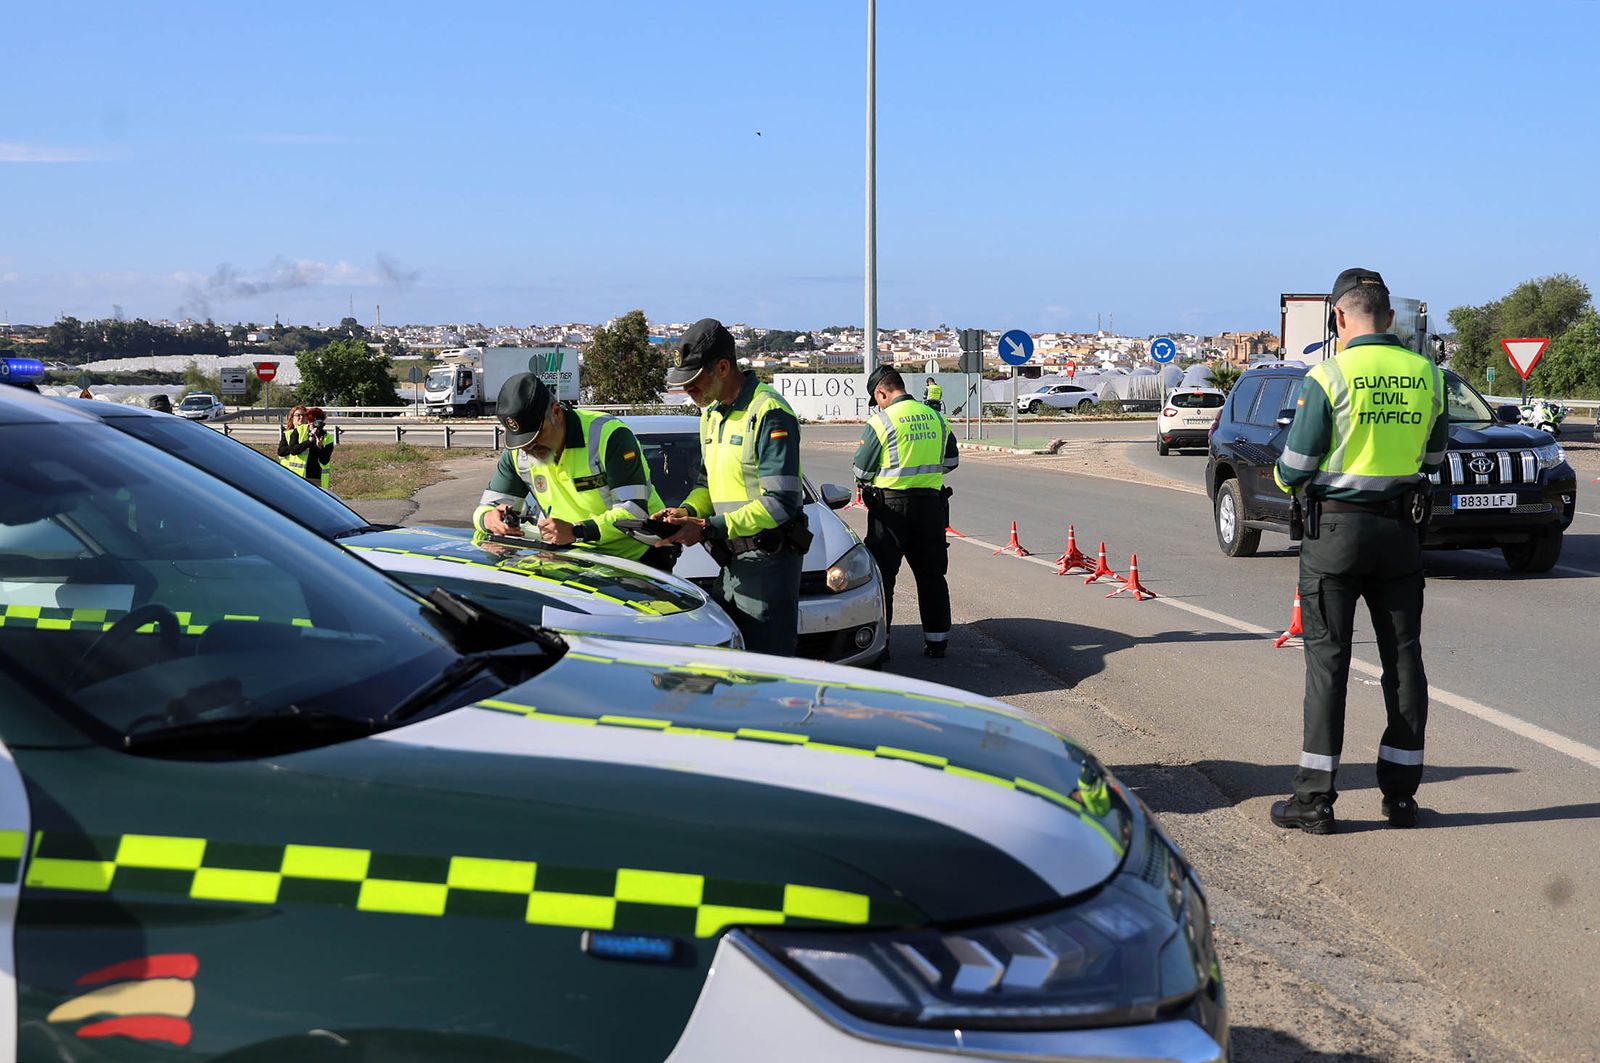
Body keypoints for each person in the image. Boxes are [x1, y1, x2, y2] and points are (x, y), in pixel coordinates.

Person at [1270, 267, 1447, 834]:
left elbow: (1293, 468)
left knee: (1329, 662)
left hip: (1336, 537)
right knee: (1403, 660)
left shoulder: (1327, 376)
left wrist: (1282, 475)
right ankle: (1400, 799)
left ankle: (1315, 801)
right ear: (1390, 318)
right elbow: (1434, 459)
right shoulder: (1428, 375)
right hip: (1399, 535)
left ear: (1339, 318)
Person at [655, 318, 809, 654]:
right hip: (733, 564)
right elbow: (707, 482)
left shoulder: (768, 411)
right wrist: (688, 511)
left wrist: (708, 527)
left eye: (694, 381)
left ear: (723, 367)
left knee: (765, 672)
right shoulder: (711, 414)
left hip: (768, 567)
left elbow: (781, 502)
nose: (687, 390)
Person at [474, 373, 674, 571]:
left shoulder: (609, 435)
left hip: (637, 561)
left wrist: (576, 531)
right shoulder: (519, 452)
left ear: (557, 412)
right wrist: (489, 519)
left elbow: (633, 512)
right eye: (523, 441)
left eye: (536, 435)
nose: (530, 447)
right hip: (574, 561)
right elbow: (485, 509)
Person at [853, 366, 960, 659]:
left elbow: (861, 469)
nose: (879, 405)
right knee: (932, 575)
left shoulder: (881, 422)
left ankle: (881, 644)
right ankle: (937, 642)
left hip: (890, 510)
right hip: (930, 507)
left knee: (884, 577)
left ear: (882, 393)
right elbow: (951, 461)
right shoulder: (937, 417)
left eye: (878, 400)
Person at [277, 405, 312, 479]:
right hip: (290, 474)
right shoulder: (287, 434)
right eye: (298, 415)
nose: (301, 417)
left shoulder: (311, 433)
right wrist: (294, 446)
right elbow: (281, 452)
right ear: (292, 418)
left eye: (304, 415)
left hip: (309, 474)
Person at [306, 407, 335, 491]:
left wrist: (320, 446)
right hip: (301, 475)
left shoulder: (327, 437)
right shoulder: (302, 433)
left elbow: (325, 460)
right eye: (312, 422)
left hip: (317, 476)